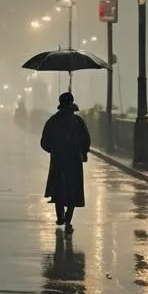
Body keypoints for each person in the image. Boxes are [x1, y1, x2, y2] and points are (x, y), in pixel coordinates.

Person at [40, 91, 90, 232]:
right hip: (74, 160)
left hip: (58, 160)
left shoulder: (53, 121)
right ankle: (68, 218)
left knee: (59, 189)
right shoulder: (78, 122)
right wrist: (83, 152)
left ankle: (60, 216)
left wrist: (54, 150)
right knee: (73, 188)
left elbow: (44, 142)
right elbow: (85, 139)